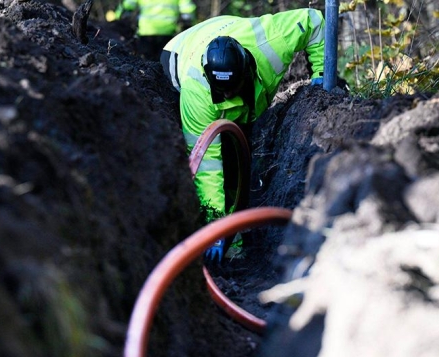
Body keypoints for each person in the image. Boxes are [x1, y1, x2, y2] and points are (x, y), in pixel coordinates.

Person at [160, 9, 325, 261]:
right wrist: (215, 228)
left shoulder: (272, 42)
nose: (228, 97)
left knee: (240, 151)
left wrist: (321, 75)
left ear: (247, 69)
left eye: (233, 90)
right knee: (223, 156)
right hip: (179, 54)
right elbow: (207, 165)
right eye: (222, 92)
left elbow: (313, 20)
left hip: (225, 32)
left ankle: (238, 228)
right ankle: (228, 239)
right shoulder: (196, 93)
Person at [114, 0, 196, 60]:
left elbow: (127, 7)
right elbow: (188, 9)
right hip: (168, 32)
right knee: (164, 62)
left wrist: (118, 17)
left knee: (145, 63)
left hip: (146, 32)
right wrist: (187, 25)